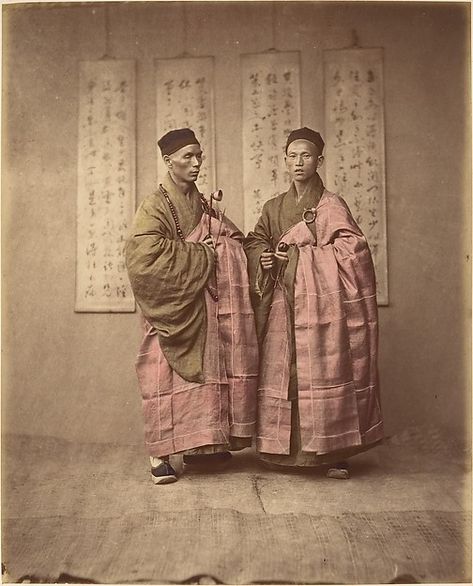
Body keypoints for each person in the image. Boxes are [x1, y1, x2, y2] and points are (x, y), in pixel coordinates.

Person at [244, 127, 383, 478]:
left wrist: (296, 261)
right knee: (283, 374)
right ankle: (280, 451)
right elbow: (255, 241)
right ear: (284, 160)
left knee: (324, 370)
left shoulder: (331, 205)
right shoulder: (274, 207)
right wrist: (263, 257)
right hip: (281, 305)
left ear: (319, 160)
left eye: (306, 155)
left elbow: (353, 251)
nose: (298, 162)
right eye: (292, 156)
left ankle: (332, 452)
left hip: (322, 308)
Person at [126, 128, 258, 484]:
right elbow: (143, 259)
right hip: (171, 308)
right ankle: (159, 456)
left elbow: (230, 239)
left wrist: (224, 242)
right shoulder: (154, 206)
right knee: (162, 373)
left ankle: (203, 448)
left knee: (207, 377)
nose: (197, 163)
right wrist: (201, 254)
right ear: (168, 162)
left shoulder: (202, 204)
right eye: (188, 157)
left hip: (206, 305)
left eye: (199, 155)